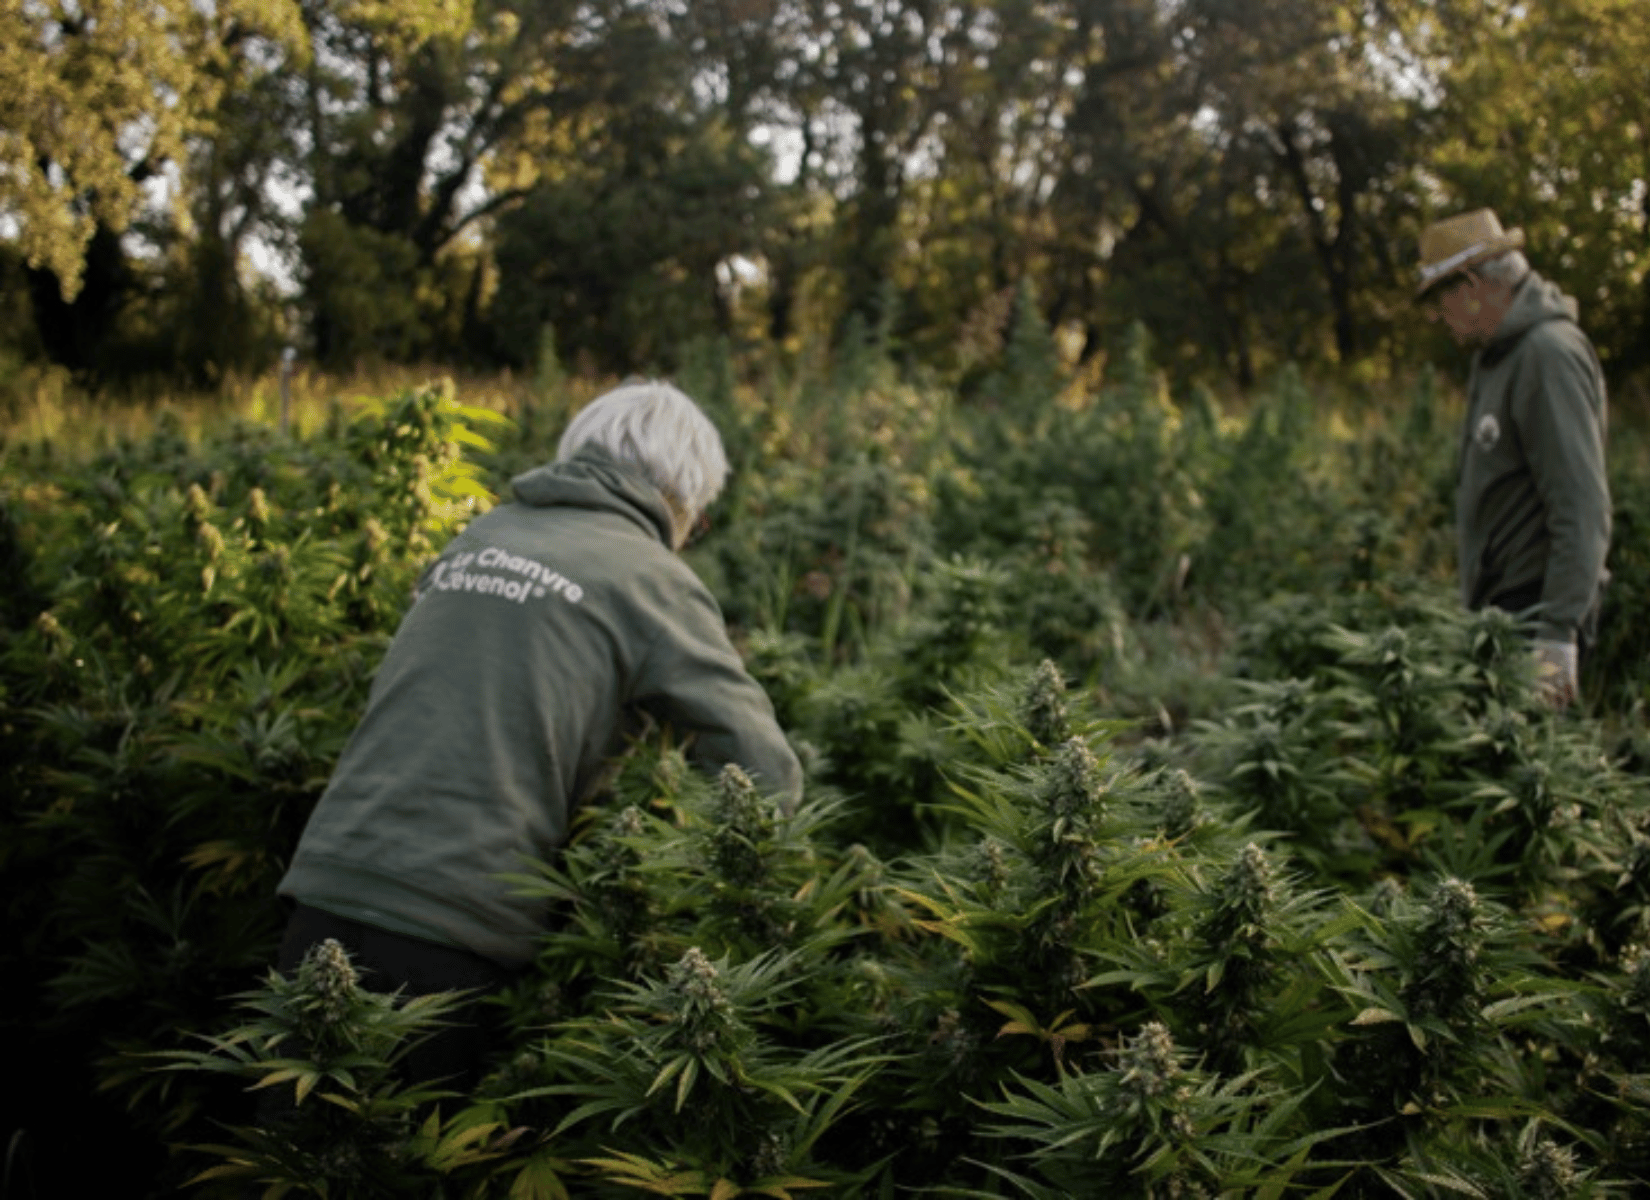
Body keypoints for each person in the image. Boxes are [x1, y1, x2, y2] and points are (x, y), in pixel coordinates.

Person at [273, 379, 803, 1087]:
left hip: (325, 887)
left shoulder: (481, 535)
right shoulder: (649, 574)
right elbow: (765, 771)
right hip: (456, 922)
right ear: (682, 501)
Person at [1415, 207, 1611, 708]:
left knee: (1535, 776)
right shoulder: (1497, 356)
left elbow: (1581, 507)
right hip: (1503, 611)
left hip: (1536, 613)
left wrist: (1558, 632)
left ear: (1472, 283)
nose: (1436, 317)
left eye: (1441, 298)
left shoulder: (1547, 355)